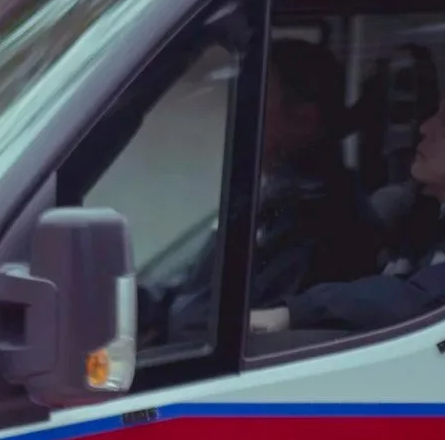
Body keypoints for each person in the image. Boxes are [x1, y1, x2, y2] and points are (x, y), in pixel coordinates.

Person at [250, 55, 445, 335]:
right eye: (435, 115)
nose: (425, 127)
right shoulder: (413, 210)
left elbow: (419, 298)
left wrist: (296, 313)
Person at [150, 38, 378, 342]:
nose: (239, 112)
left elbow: (204, 323)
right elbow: (190, 286)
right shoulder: (269, 191)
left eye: (256, 100)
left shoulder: (317, 213)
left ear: (303, 120)